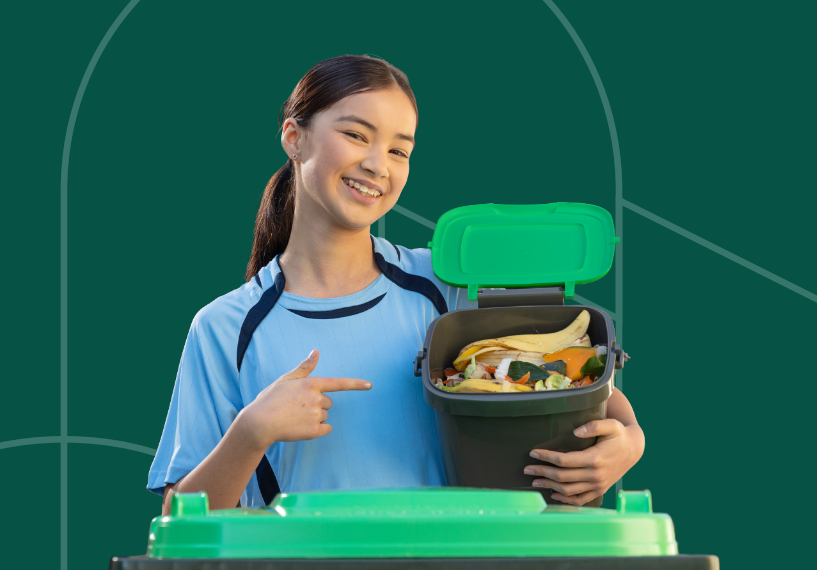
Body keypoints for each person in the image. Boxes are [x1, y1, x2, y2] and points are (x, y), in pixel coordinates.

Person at [147, 54, 644, 514]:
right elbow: (180, 518)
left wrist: (629, 442)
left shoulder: (446, 287)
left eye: (399, 150)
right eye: (357, 135)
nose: (377, 165)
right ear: (294, 137)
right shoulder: (225, 326)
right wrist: (250, 433)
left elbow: (582, 383)